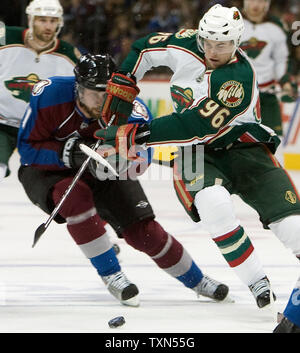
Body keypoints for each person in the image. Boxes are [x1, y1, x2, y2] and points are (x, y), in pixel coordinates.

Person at [94, 4, 300, 309]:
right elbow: (142, 49)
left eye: (223, 45)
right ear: (199, 36)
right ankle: (256, 280)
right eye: (208, 42)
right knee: (213, 206)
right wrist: (124, 87)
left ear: (237, 43)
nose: (213, 51)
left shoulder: (237, 77)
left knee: (293, 227)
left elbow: (197, 125)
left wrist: (137, 134)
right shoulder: (186, 43)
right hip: (196, 154)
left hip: (245, 149)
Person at [17, 53, 229, 306]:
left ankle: (197, 280)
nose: (102, 100)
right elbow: (27, 148)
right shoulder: (50, 95)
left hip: (102, 170)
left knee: (144, 232)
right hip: (48, 170)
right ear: (78, 87)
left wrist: (122, 162)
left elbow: (141, 160)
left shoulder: (133, 110)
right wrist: (66, 154)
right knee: (76, 198)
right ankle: (112, 274)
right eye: (95, 92)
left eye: (108, 93)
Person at [0, 0, 81, 183]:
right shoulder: (5, 39)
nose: (48, 26)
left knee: (60, 181)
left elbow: (84, 95)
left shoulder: (69, 55)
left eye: (53, 21)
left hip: (41, 130)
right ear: (31, 19)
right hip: (2, 123)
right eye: (42, 20)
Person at [240, 0, 298, 164]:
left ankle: (276, 183)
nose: (255, 5)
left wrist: (285, 82)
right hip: (238, 95)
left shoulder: (277, 27)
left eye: (260, 0)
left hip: (266, 96)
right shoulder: (232, 22)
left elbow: (281, 61)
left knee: (275, 144)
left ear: (267, 3)